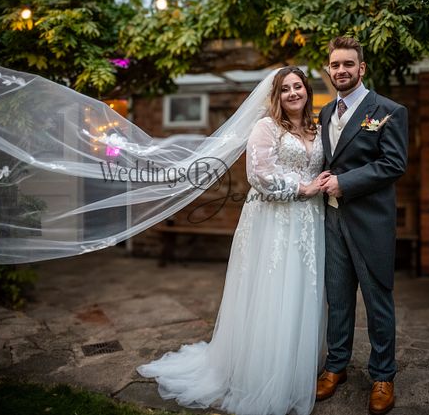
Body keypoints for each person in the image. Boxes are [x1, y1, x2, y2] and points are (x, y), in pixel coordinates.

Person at [137, 66, 327, 415]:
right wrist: (304, 187)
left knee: (303, 289)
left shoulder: (317, 128)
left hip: (309, 220)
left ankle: (296, 366)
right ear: (276, 96)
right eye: (285, 89)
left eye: (298, 86)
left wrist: (320, 184)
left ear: (307, 90)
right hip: (273, 220)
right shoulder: (265, 127)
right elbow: (259, 176)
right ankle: (263, 373)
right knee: (273, 291)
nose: (293, 93)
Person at [316, 37, 408, 415]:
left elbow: (393, 163)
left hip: (370, 222)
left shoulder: (387, 110)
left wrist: (345, 183)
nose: (341, 70)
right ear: (329, 70)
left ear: (361, 68)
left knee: (377, 300)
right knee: (337, 299)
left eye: (348, 64)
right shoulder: (324, 113)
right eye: (335, 65)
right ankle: (336, 366)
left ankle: (383, 376)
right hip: (333, 218)